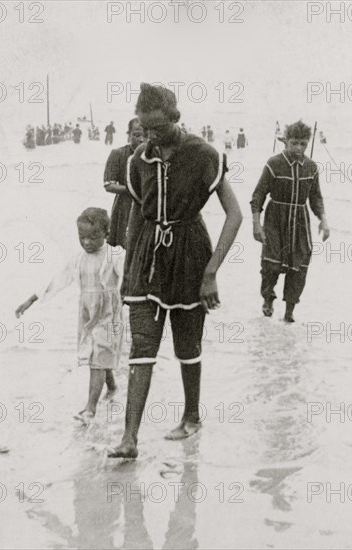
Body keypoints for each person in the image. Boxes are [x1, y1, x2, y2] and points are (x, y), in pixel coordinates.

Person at [107, 84, 243, 459]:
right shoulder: (138, 160)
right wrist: (129, 271)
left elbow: (235, 214)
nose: (150, 136)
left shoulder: (202, 154)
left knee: (187, 346)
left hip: (190, 254)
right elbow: (138, 212)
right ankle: (129, 439)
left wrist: (212, 272)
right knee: (142, 346)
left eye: (157, 128)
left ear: (175, 118)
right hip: (148, 258)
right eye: (144, 128)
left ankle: (192, 415)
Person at [15, 208, 124, 424]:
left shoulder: (115, 255)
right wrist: (31, 300)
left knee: (99, 356)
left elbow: (130, 276)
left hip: (109, 314)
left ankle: (90, 408)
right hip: (87, 314)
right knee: (96, 355)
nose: (86, 242)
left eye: (93, 237)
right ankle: (111, 386)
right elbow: (57, 281)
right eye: (81, 237)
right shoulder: (78, 259)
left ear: (107, 233)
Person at [250, 120, 330, 323]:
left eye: (303, 143)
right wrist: (256, 223)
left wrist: (323, 220)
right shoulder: (274, 163)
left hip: (300, 221)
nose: (298, 148)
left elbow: (316, 197)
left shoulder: (311, 167)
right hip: (275, 218)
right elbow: (258, 195)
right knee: (272, 265)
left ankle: (289, 311)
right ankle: (268, 298)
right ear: (285, 141)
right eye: (294, 143)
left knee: (299, 267)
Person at [104, 118, 144, 249]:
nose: (142, 140)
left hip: (149, 206)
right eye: (137, 135)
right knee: (124, 246)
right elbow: (108, 185)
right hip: (125, 206)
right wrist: (132, 190)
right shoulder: (118, 154)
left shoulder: (154, 156)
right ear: (129, 135)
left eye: (146, 135)